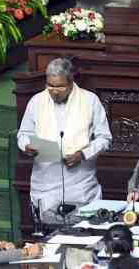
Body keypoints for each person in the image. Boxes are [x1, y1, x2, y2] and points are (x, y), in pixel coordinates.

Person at [17, 57, 112, 211]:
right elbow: (24, 134)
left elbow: (104, 138)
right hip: (46, 181)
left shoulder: (90, 100)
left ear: (70, 82)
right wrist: (27, 146)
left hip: (80, 183)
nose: (54, 91)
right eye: (50, 85)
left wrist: (82, 154)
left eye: (60, 86)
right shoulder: (36, 101)